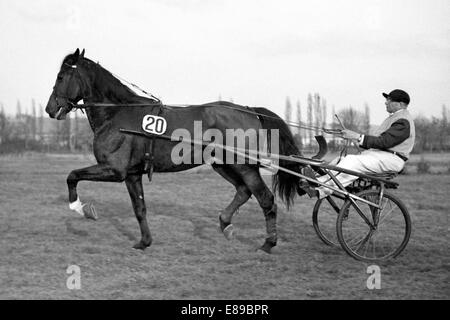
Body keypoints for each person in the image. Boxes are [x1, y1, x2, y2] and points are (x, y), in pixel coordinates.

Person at [305, 89, 416, 199]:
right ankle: (317, 182)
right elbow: (379, 140)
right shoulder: (395, 117)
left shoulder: (403, 121)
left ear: (401, 104)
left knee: (352, 161)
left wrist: (356, 136)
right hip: (382, 156)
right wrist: (354, 137)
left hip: (391, 159)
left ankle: (320, 187)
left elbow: (383, 142)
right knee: (340, 160)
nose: (386, 102)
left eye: (389, 100)